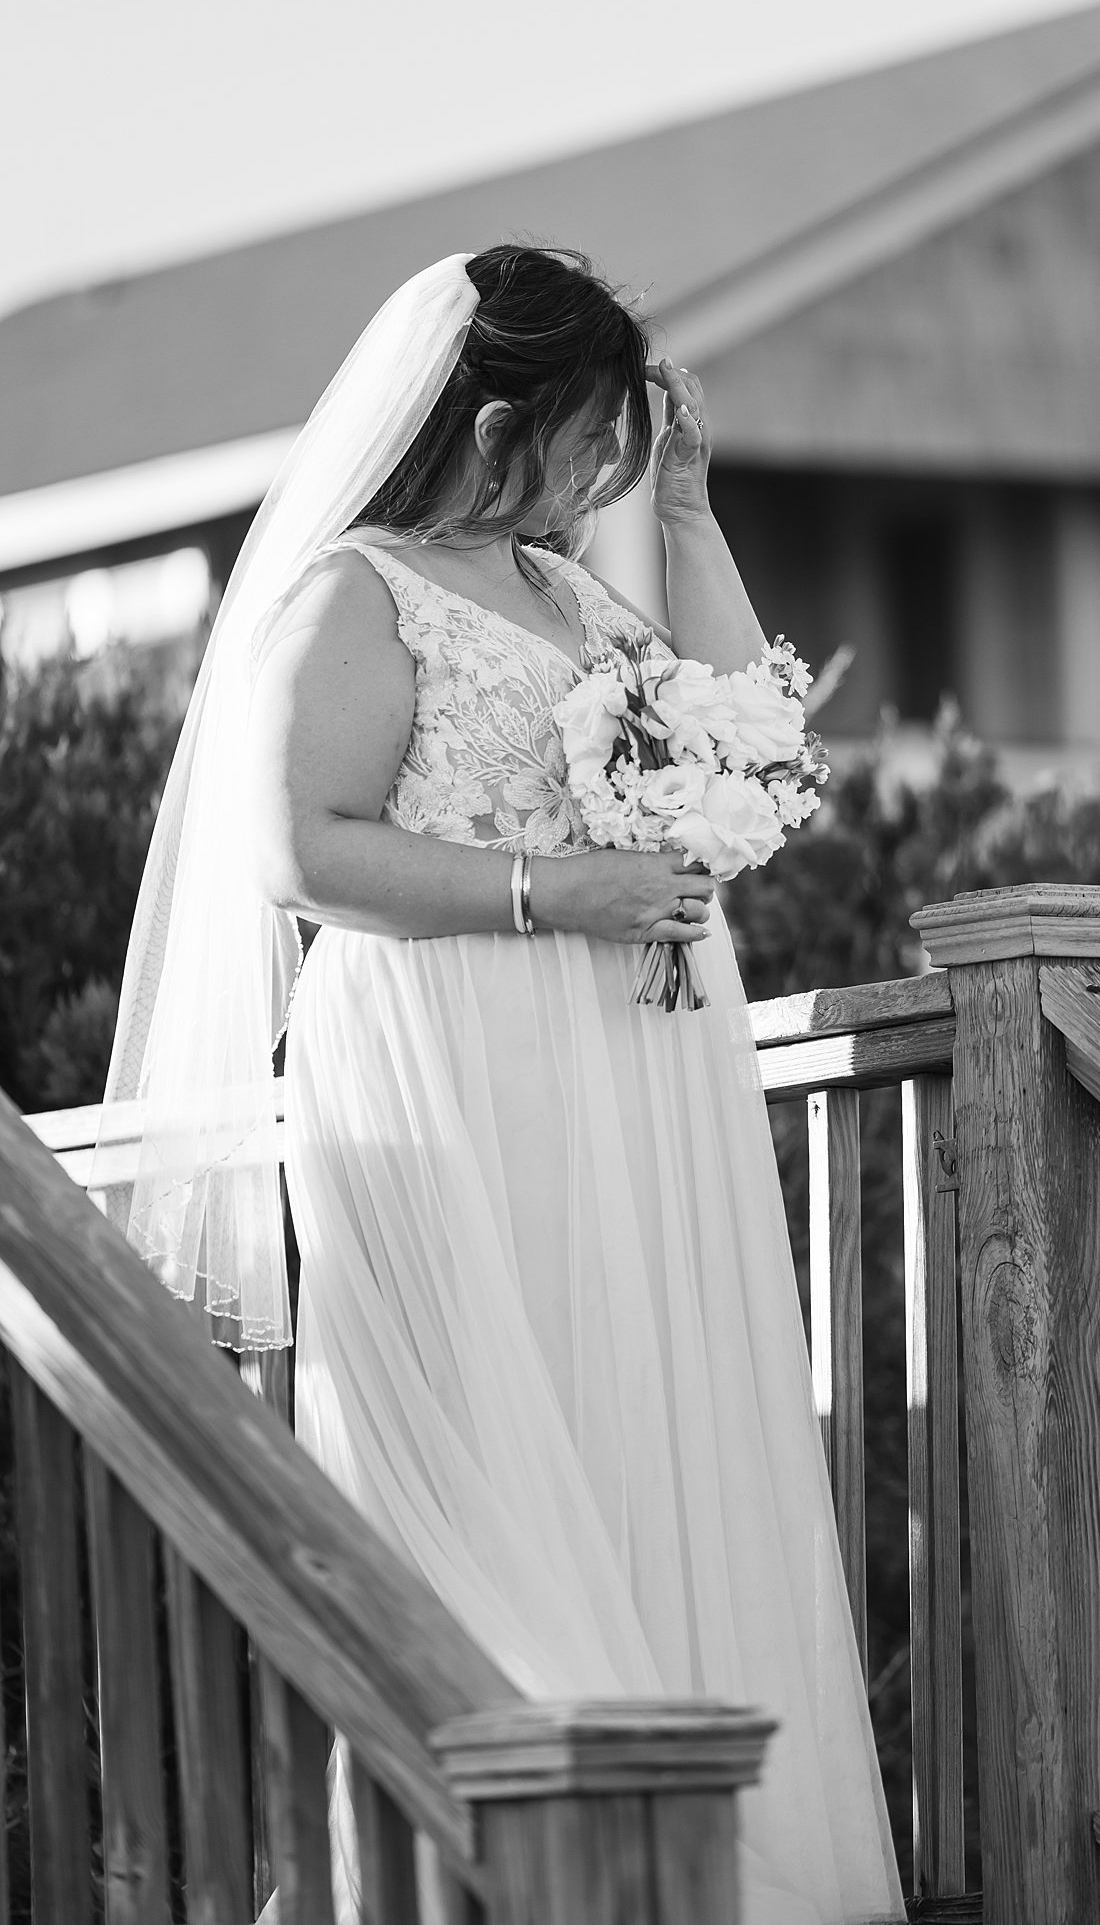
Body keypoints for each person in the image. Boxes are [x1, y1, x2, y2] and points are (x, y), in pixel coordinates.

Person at [100, 245, 903, 1923]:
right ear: (492, 426)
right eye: (594, 438)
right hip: (453, 1064)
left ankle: (710, 1856)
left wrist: (686, 517)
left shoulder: (578, 592)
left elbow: (753, 758)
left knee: (654, 1425)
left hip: (636, 1073)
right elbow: (299, 849)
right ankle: (508, 1875)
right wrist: (564, 894)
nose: (607, 468)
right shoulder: (359, 590)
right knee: (493, 1443)